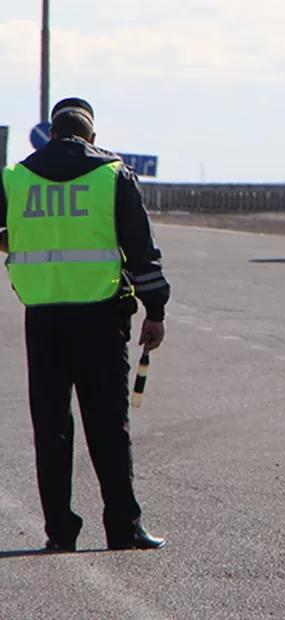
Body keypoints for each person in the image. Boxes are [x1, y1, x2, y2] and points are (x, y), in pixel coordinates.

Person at [0, 98, 170, 552]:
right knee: (109, 425)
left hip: (43, 318)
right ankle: (123, 527)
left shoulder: (16, 178)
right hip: (100, 317)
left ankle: (59, 533)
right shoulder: (112, 174)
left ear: (51, 135)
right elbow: (142, 251)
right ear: (91, 137)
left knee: (51, 426)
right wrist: (155, 311)